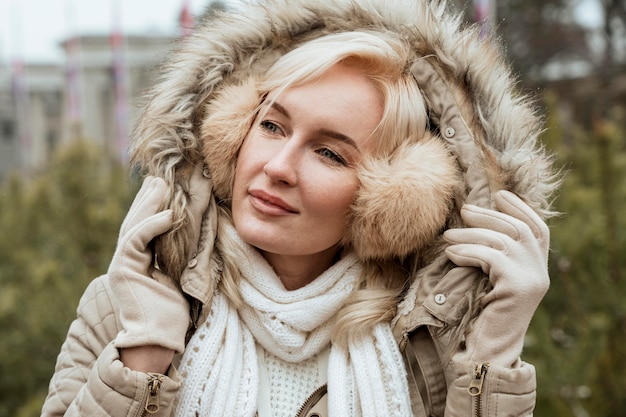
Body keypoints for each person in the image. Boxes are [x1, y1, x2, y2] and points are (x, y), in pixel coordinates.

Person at [42, 0, 560, 416]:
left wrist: (494, 352)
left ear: (393, 199)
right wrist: (145, 359)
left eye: (330, 153)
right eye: (272, 126)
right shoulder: (124, 305)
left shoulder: (434, 336)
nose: (279, 166)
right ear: (232, 134)